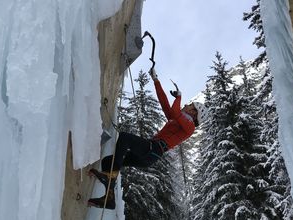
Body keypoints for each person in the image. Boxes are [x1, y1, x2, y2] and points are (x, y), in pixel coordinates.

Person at [88, 69, 207, 209]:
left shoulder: (190, 127)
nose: (187, 105)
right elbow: (165, 104)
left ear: (194, 113)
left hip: (153, 150)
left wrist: (178, 97)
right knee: (108, 161)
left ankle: (110, 179)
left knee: (125, 138)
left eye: (190, 105)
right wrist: (156, 80)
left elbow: (175, 111)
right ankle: (109, 198)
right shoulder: (178, 121)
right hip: (150, 154)